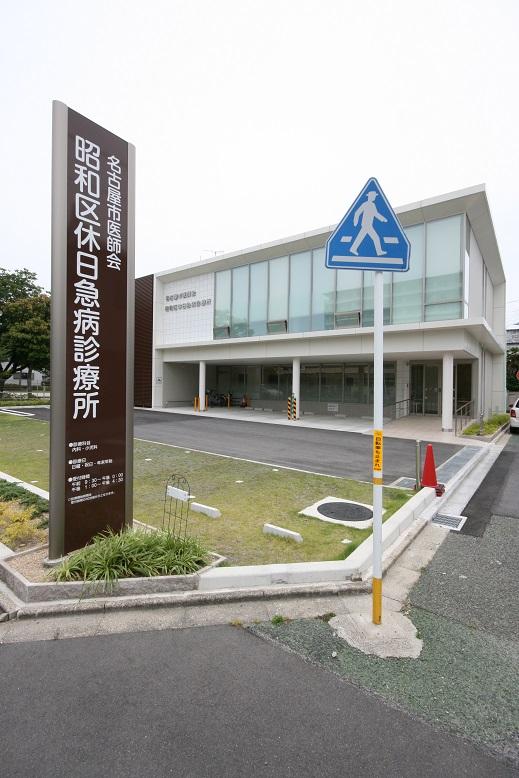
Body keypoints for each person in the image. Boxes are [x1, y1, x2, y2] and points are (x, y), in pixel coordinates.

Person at [350, 190, 387, 256]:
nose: (374, 197)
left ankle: (353, 249)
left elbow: (375, 213)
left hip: (368, 224)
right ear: (370, 196)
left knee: (360, 237)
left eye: (375, 196)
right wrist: (355, 222)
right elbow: (357, 213)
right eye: (373, 196)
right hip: (366, 224)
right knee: (376, 238)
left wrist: (383, 219)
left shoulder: (373, 204)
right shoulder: (365, 204)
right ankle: (379, 252)